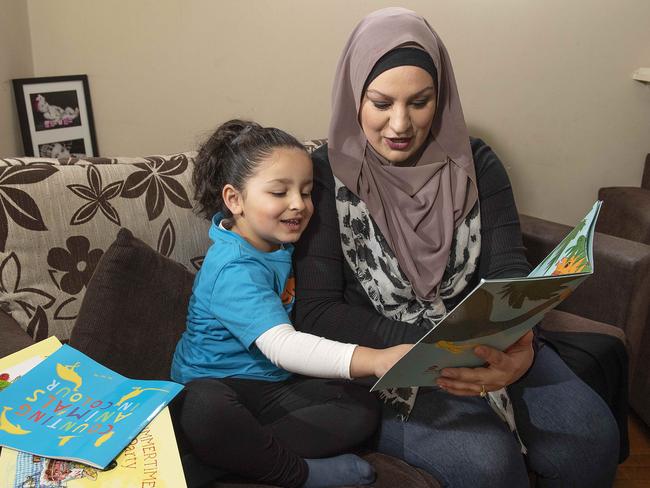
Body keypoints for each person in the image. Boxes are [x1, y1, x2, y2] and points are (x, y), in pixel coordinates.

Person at [293, 7, 620, 488]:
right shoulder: (321, 176)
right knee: (485, 464)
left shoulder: (477, 163)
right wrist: (435, 347)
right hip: (391, 359)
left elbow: (508, 272)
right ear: (353, 97)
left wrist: (520, 353)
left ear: (440, 97)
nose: (399, 124)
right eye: (381, 103)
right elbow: (317, 312)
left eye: (419, 102)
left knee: (590, 436)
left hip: (487, 346)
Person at [170, 119, 411, 488]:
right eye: (280, 193)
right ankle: (298, 473)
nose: (299, 205)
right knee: (201, 407)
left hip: (268, 388)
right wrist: (374, 359)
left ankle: (229, 462)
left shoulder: (277, 242)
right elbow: (282, 345)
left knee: (360, 408)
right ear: (235, 200)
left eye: (307, 191)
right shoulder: (232, 268)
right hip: (220, 389)